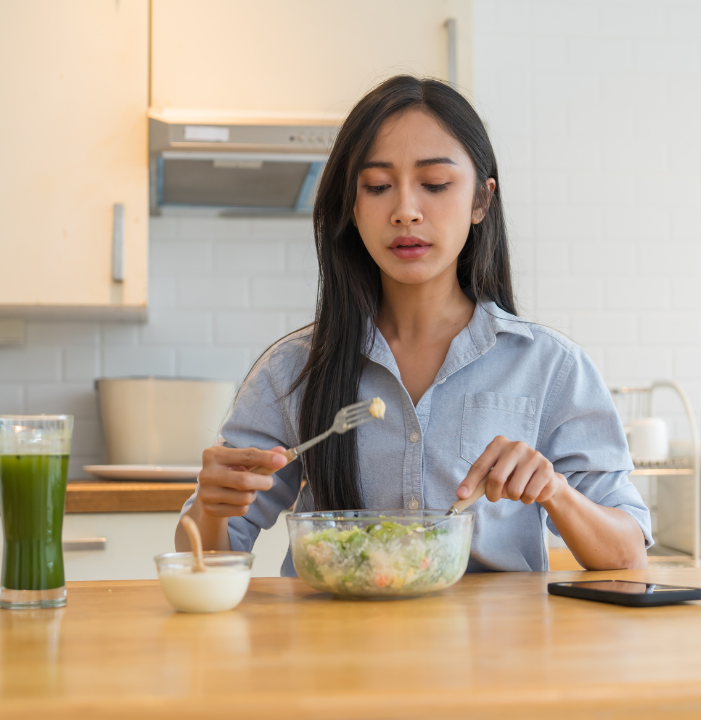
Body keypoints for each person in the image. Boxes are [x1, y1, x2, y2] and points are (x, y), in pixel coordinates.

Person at [177, 75, 650, 574]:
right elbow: (204, 562)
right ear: (352, 208)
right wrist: (213, 507)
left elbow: (628, 552)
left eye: (435, 184)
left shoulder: (551, 367)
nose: (405, 211)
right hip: (329, 650)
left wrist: (555, 491)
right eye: (378, 187)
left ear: (480, 201)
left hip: (492, 652)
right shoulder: (294, 369)